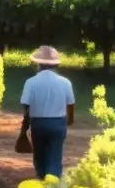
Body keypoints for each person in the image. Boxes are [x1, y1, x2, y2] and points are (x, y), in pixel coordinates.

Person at [19, 46, 74, 180]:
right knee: (55, 155)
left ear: (38, 64)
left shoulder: (30, 82)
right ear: (56, 65)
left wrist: (25, 126)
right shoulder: (65, 83)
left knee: (39, 155)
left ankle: (41, 178)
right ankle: (52, 182)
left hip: (38, 123)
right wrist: (70, 120)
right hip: (58, 123)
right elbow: (71, 105)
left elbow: (26, 106)